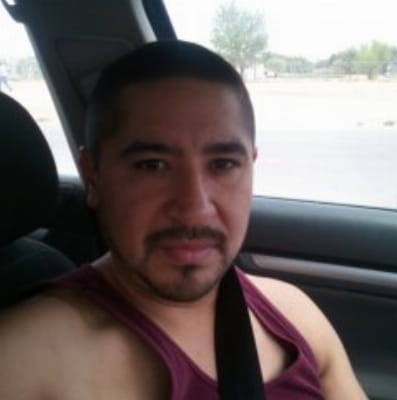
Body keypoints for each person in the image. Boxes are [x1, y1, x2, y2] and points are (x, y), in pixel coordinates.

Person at [0, 41, 368, 399]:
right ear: (93, 177)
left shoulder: (295, 316)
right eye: (152, 166)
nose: (195, 209)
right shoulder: (25, 359)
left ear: (250, 167)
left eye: (223, 164)